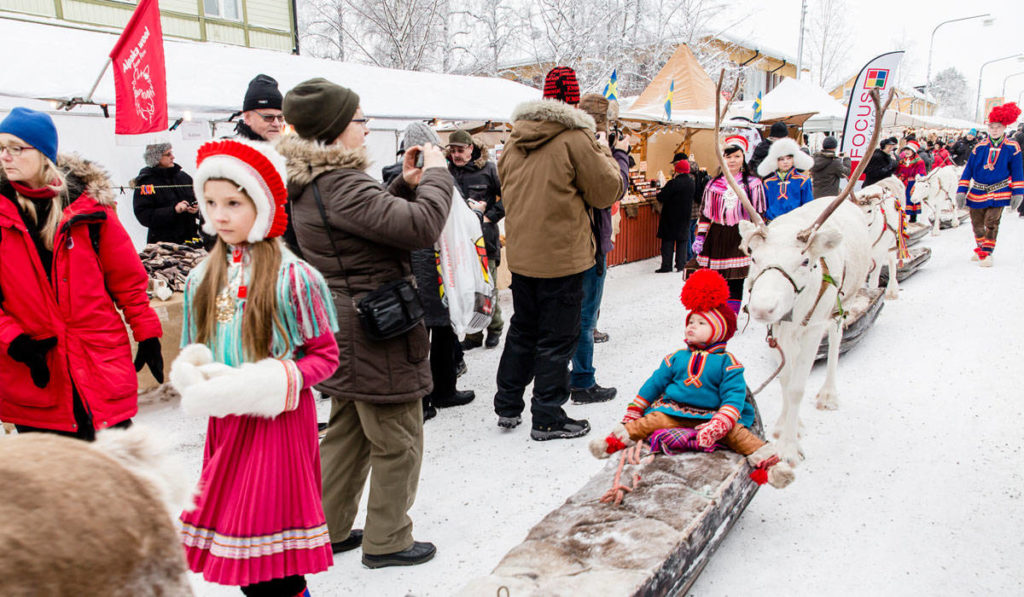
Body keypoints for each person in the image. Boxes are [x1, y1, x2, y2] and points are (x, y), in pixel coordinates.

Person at [278, 77, 452, 568]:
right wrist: (438, 175)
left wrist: (402, 185)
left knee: (349, 431)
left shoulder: (317, 179)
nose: (367, 127)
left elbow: (365, 225)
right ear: (336, 130)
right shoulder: (341, 182)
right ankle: (388, 539)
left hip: (349, 320)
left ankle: (328, 528)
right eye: (360, 120)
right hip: (376, 325)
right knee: (398, 437)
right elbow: (420, 227)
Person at [171, 138, 339, 596]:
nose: (218, 216)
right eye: (209, 203)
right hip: (227, 428)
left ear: (261, 206)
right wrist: (196, 373)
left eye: (232, 203)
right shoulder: (200, 277)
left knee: (275, 567)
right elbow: (195, 346)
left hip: (278, 429)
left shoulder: (295, 276)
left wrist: (267, 382)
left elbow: (325, 357)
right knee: (247, 566)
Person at [0, 107, 162, 440]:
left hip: (98, 359)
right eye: (1, 147)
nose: (6, 156)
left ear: (44, 153)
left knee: (116, 471)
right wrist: (13, 340)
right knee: (60, 480)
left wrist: (146, 331)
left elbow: (127, 278)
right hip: (37, 366)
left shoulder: (89, 209)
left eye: (16, 147)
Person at [493, 65, 624, 440]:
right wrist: (605, 150)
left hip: (523, 256)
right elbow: (605, 192)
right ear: (574, 100)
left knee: (522, 330)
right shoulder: (575, 138)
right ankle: (548, 415)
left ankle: (507, 404)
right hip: (563, 257)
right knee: (558, 336)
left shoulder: (515, 140)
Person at [587, 269, 793, 489]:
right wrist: (635, 409)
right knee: (649, 422)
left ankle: (772, 467)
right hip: (674, 411)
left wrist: (720, 422)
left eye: (701, 323)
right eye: (690, 322)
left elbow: (734, 396)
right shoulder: (677, 358)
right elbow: (655, 383)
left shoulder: (728, 364)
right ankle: (611, 443)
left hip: (713, 418)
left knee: (738, 436)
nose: (692, 326)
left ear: (719, 332)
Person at [405, 123, 474, 420]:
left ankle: (438, 392)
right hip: (431, 264)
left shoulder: (402, 176)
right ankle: (429, 397)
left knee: (433, 332)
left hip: (426, 265)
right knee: (430, 333)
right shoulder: (423, 177)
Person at [569, 92, 630, 406]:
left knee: (571, 316)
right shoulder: (593, 147)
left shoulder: (569, 143)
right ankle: (582, 380)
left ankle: (566, 377)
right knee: (585, 317)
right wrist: (619, 155)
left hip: (574, 242)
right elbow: (610, 189)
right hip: (590, 242)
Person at [686, 135, 766, 314]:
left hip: (741, 235)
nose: (732, 161)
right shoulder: (713, 184)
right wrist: (700, 237)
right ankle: (716, 314)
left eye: (736, 156)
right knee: (716, 278)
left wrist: (758, 237)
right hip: (718, 235)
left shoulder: (753, 184)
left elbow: (759, 215)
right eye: (728, 157)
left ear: (744, 157)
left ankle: (730, 316)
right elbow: (705, 214)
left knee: (736, 279)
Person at [447, 129, 505, 350]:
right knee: (467, 288)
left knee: (487, 287)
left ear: (471, 148)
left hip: (485, 240)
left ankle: (495, 327)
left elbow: (508, 196)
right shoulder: (447, 171)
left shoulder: (489, 170)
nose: (456, 154)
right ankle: (474, 334)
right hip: (460, 243)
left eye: (460, 150)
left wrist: (490, 215)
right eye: (452, 150)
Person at [956, 102, 1023, 266]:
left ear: (1004, 127)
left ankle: (987, 253)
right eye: (992, 126)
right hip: (978, 191)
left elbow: (1017, 171)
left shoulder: (1012, 147)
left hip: (999, 190)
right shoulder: (979, 147)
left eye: (998, 127)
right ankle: (981, 248)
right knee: (976, 224)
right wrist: (961, 190)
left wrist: (1018, 192)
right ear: (988, 127)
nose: (994, 129)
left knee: (991, 222)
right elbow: (968, 170)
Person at [132, 143, 202, 246]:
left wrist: (196, 210)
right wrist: (174, 210)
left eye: (171, 153)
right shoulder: (147, 183)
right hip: (163, 244)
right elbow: (144, 216)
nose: (172, 157)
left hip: (191, 240)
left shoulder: (183, 177)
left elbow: (200, 200)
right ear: (157, 158)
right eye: (168, 154)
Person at [759, 137, 815, 220]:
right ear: (775, 162)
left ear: (794, 160)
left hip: (795, 222)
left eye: (789, 158)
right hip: (773, 222)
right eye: (781, 159)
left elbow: (808, 205)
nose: (785, 162)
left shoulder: (803, 180)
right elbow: (764, 205)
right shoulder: (768, 182)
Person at [655, 155, 695, 272]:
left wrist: (659, 192)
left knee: (668, 241)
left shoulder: (673, 183)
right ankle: (681, 264)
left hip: (671, 216)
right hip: (685, 216)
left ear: (677, 170)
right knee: (682, 241)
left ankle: (666, 265)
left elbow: (661, 197)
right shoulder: (691, 183)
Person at [234, 74, 284, 142]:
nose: (276, 124)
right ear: (247, 118)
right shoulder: (229, 150)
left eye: (280, 117)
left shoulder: (290, 151)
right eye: (268, 117)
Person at [896, 141, 927, 223]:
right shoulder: (902, 161)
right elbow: (898, 171)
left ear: (913, 151)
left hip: (912, 183)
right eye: (905, 150)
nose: (906, 152)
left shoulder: (919, 161)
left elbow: (921, 173)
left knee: (912, 199)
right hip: (903, 183)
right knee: (902, 199)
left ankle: (913, 219)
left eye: (908, 150)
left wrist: (918, 176)